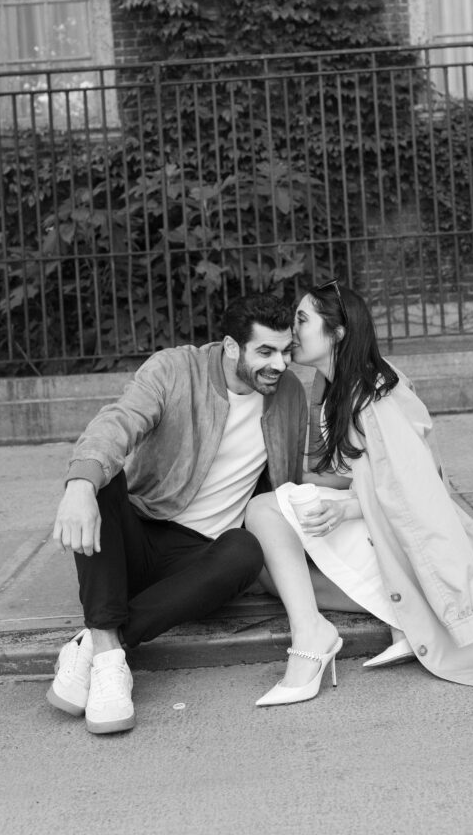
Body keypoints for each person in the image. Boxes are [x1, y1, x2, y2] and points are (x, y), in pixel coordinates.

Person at [245, 280, 473, 706]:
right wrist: (304, 479)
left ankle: (319, 639)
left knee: (264, 512)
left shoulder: (373, 396)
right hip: (378, 521)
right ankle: (404, 615)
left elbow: (412, 488)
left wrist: (344, 511)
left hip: (399, 528)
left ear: (337, 332)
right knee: (268, 572)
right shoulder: (338, 388)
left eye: (302, 319)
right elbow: (363, 472)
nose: (292, 329)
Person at [47, 293, 307, 733]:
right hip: (139, 533)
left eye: (286, 351)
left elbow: (305, 471)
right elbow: (119, 421)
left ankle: (97, 642)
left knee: (246, 548)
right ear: (230, 347)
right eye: (265, 351)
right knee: (105, 480)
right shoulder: (175, 369)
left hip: (199, 562)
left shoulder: (290, 395)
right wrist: (79, 484)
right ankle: (110, 657)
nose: (279, 364)